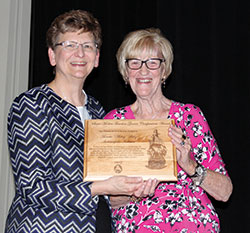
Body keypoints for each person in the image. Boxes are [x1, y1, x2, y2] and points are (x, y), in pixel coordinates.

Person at [5, 10, 157, 233]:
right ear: (52, 56)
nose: (80, 53)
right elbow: (33, 187)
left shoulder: (98, 111)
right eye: (69, 45)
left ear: (96, 58)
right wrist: (102, 186)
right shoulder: (31, 104)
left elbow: (107, 189)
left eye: (88, 46)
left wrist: (130, 189)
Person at [105, 28, 233, 232]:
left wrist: (190, 165)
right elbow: (107, 201)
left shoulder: (190, 116)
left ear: (164, 71)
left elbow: (225, 192)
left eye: (152, 62)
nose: (143, 71)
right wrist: (134, 192)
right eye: (135, 62)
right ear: (125, 71)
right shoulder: (113, 122)